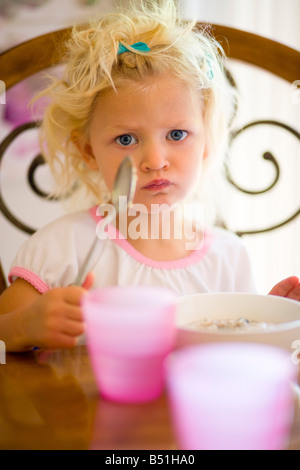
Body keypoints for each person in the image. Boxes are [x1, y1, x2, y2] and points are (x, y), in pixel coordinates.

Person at [0, 0, 299, 352]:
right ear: (89, 151)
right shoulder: (64, 248)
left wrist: (269, 326)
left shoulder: (229, 258)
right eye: (126, 139)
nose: (155, 161)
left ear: (206, 144)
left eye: (176, 135)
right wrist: (25, 325)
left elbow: (233, 358)